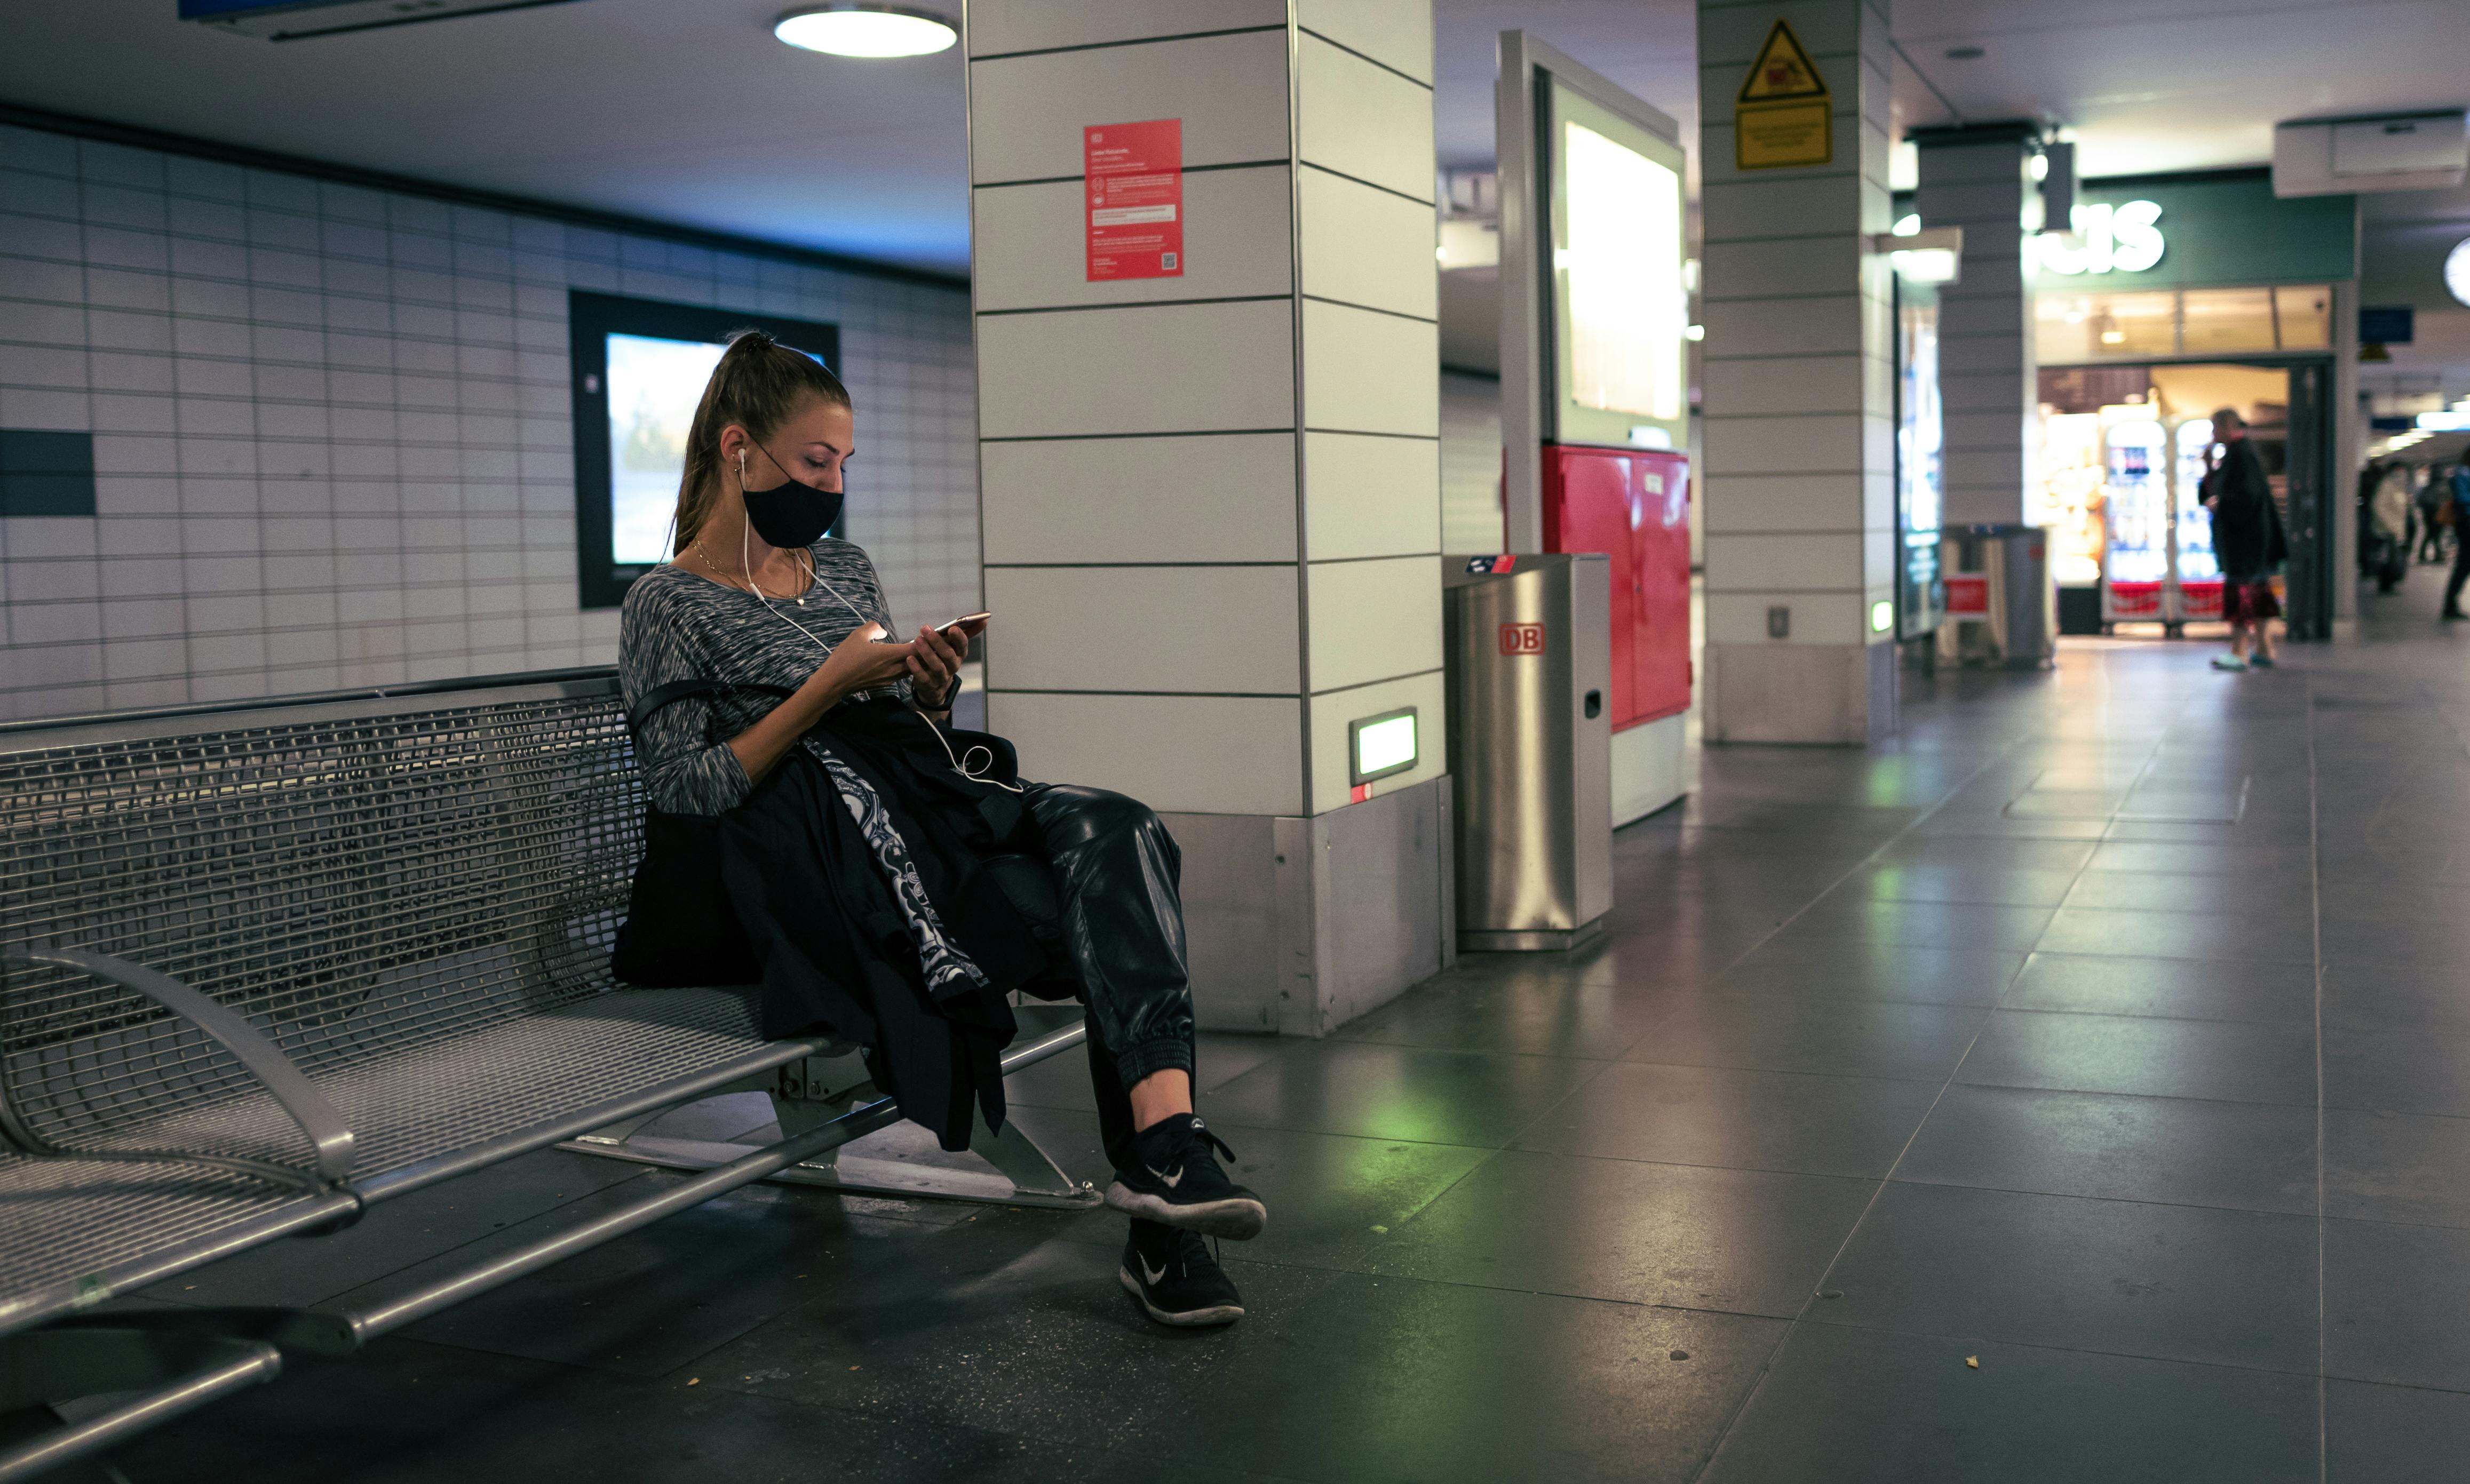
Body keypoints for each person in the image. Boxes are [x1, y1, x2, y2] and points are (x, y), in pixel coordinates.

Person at [618, 331, 1265, 1327]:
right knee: (1095, 908)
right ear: (737, 451)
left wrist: (926, 690)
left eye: (843, 464)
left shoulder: (843, 571)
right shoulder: (666, 602)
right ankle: (1162, 1227)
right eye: (813, 462)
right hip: (797, 871)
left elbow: (901, 749)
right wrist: (827, 685)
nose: (831, 486)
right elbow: (687, 788)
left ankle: (1164, 1148)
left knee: (1116, 827)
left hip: (907, 819)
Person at [2201, 408, 2286, 671]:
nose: (2214, 435)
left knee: (2240, 595)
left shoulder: (2240, 456)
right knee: (2259, 595)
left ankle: (2240, 651)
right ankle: (2263, 648)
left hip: (2244, 545)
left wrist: (2220, 504)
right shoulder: (2244, 454)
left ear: (2226, 427)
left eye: (2215, 428)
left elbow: (2242, 498)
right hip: (2256, 544)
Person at [2445, 463, 2470, 619]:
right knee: (2464, 564)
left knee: (2464, 564)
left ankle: (2451, 604)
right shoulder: (2462, 474)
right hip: (2467, 523)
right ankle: (2450, 605)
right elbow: (2461, 498)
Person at [2419, 465, 2453, 564]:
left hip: (2428, 514)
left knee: (2430, 534)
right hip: (2440, 514)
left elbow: (2421, 501)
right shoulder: (2445, 486)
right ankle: (2438, 555)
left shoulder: (2428, 487)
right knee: (2436, 535)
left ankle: (2424, 555)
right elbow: (2449, 500)